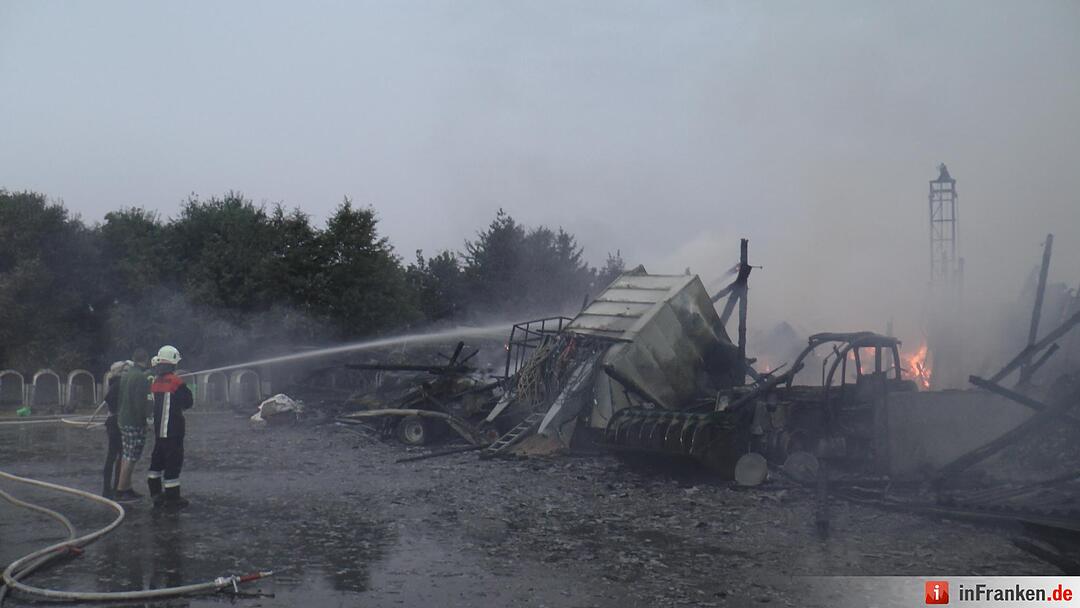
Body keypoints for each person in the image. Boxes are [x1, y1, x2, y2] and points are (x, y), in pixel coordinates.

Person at [147, 345, 194, 509]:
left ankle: (155, 494)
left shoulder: (155, 380)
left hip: (160, 431)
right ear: (173, 363)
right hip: (174, 432)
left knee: (156, 464)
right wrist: (182, 383)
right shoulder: (175, 381)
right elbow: (188, 402)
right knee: (173, 464)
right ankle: (172, 499)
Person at [114, 349, 153, 502]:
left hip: (123, 419)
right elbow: (140, 403)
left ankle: (126, 487)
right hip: (134, 422)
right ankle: (122, 490)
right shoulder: (141, 378)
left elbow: (121, 398)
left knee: (126, 454)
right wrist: (145, 421)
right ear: (146, 359)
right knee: (132, 456)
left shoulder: (126, 375)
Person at [101, 359, 131, 499]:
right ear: (120, 372)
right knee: (118, 455)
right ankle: (114, 488)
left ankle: (111, 488)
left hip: (113, 421)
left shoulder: (115, 383)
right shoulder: (119, 384)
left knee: (114, 455)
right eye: (126, 370)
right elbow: (110, 399)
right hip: (116, 422)